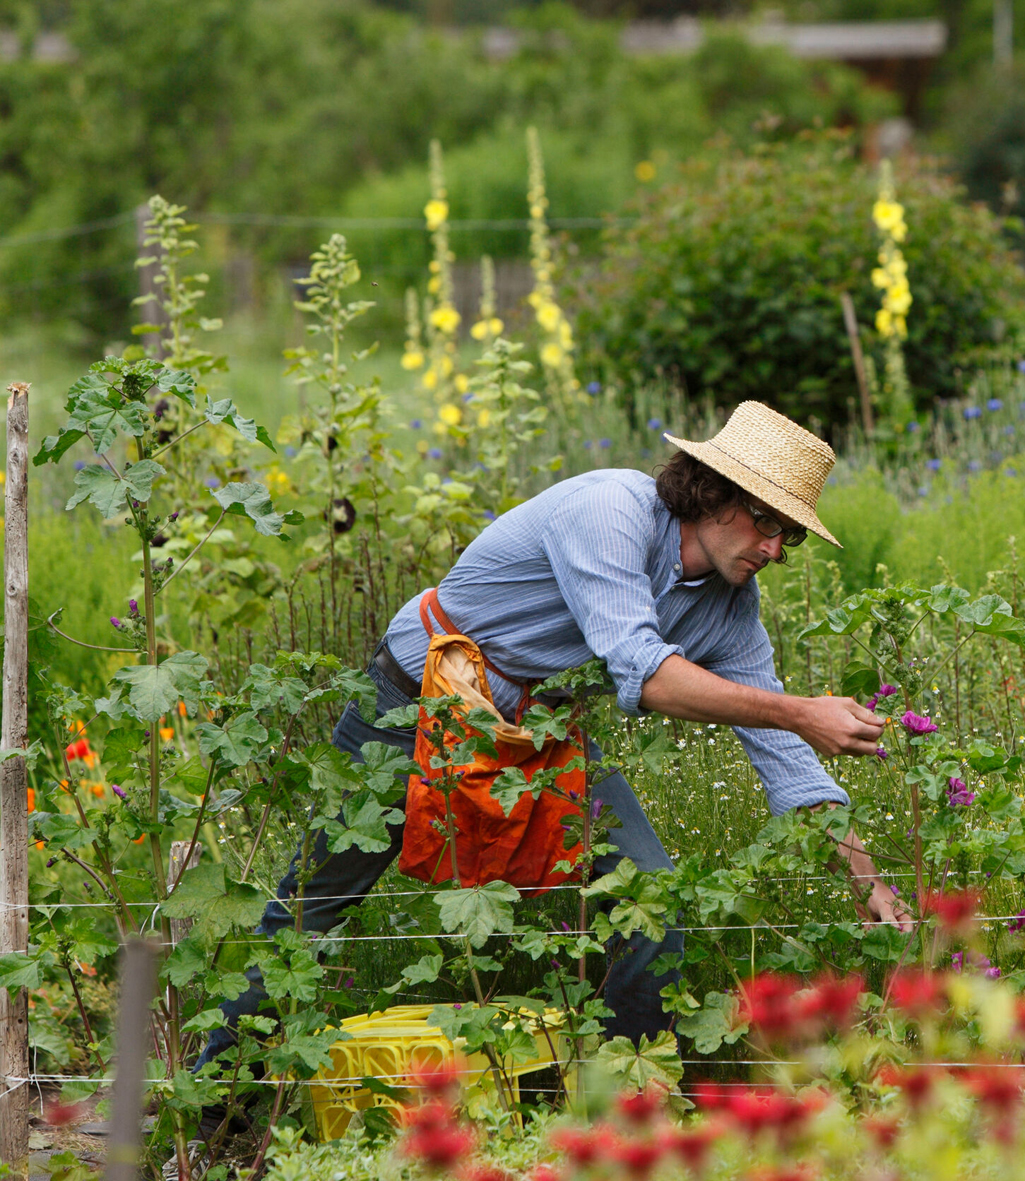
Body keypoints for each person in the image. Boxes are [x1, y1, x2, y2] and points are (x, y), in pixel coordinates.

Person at [197, 401, 906, 1116]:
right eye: (770, 522)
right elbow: (646, 671)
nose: (777, 548)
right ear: (716, 491)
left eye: (792, 536)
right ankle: (210, 1109)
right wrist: (803, 710)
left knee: (648, 899)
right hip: (415, 706)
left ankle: (633, 1115)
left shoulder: (730, 607)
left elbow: (785, 751)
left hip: (537, 736)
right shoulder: (609, 510)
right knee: (312, 906)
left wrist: (865, 872)